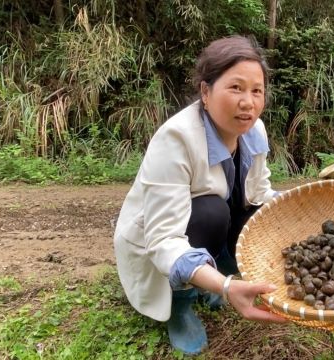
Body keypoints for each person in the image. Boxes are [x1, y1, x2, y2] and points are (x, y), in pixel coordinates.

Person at [113, 35, 286, 355]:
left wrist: (296, 205)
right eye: (235, 88)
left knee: (259, 215)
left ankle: (213, 273)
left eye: (256, 90)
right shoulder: (176, 139)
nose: (248, 102)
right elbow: (164, 239)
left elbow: (260, 192)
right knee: (211, 212)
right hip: (164, 237)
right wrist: (225, 286)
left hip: (209, 229)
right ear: (206, 92)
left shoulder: (254, 130)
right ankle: (181, 303)